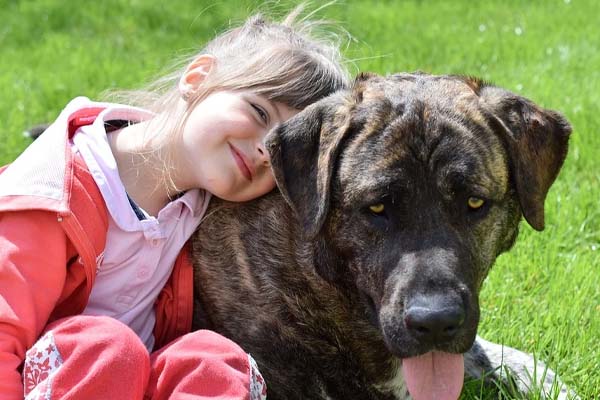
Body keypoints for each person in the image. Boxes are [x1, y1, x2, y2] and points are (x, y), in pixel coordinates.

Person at [0, 5, 349, 399]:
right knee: (109, 348)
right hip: (51, 377)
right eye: (258, 111)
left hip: (137, 376)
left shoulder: (199, 210)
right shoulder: (53, 195)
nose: (265, 150)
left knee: (213, 359)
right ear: (197, 78)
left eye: (281, 150)